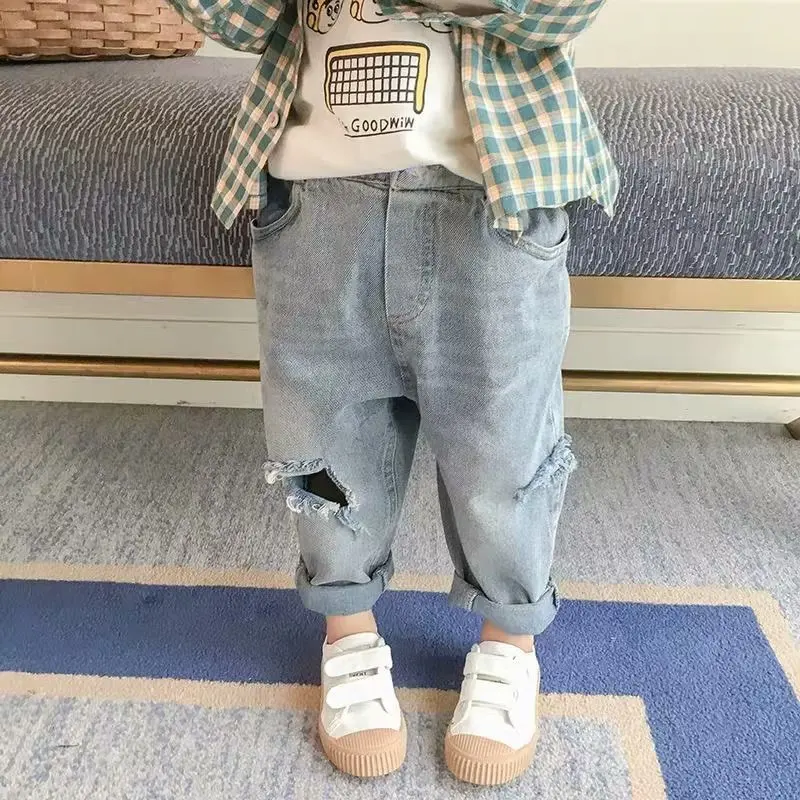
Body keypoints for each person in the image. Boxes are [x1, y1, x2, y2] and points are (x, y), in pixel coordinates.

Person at [168, 0, 617, 785]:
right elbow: (239, 19)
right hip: (317, 202)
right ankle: (346, 628)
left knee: (504, 444)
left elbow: (559, 14)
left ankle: (509, 640)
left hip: (493, 202)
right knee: (318, 441)